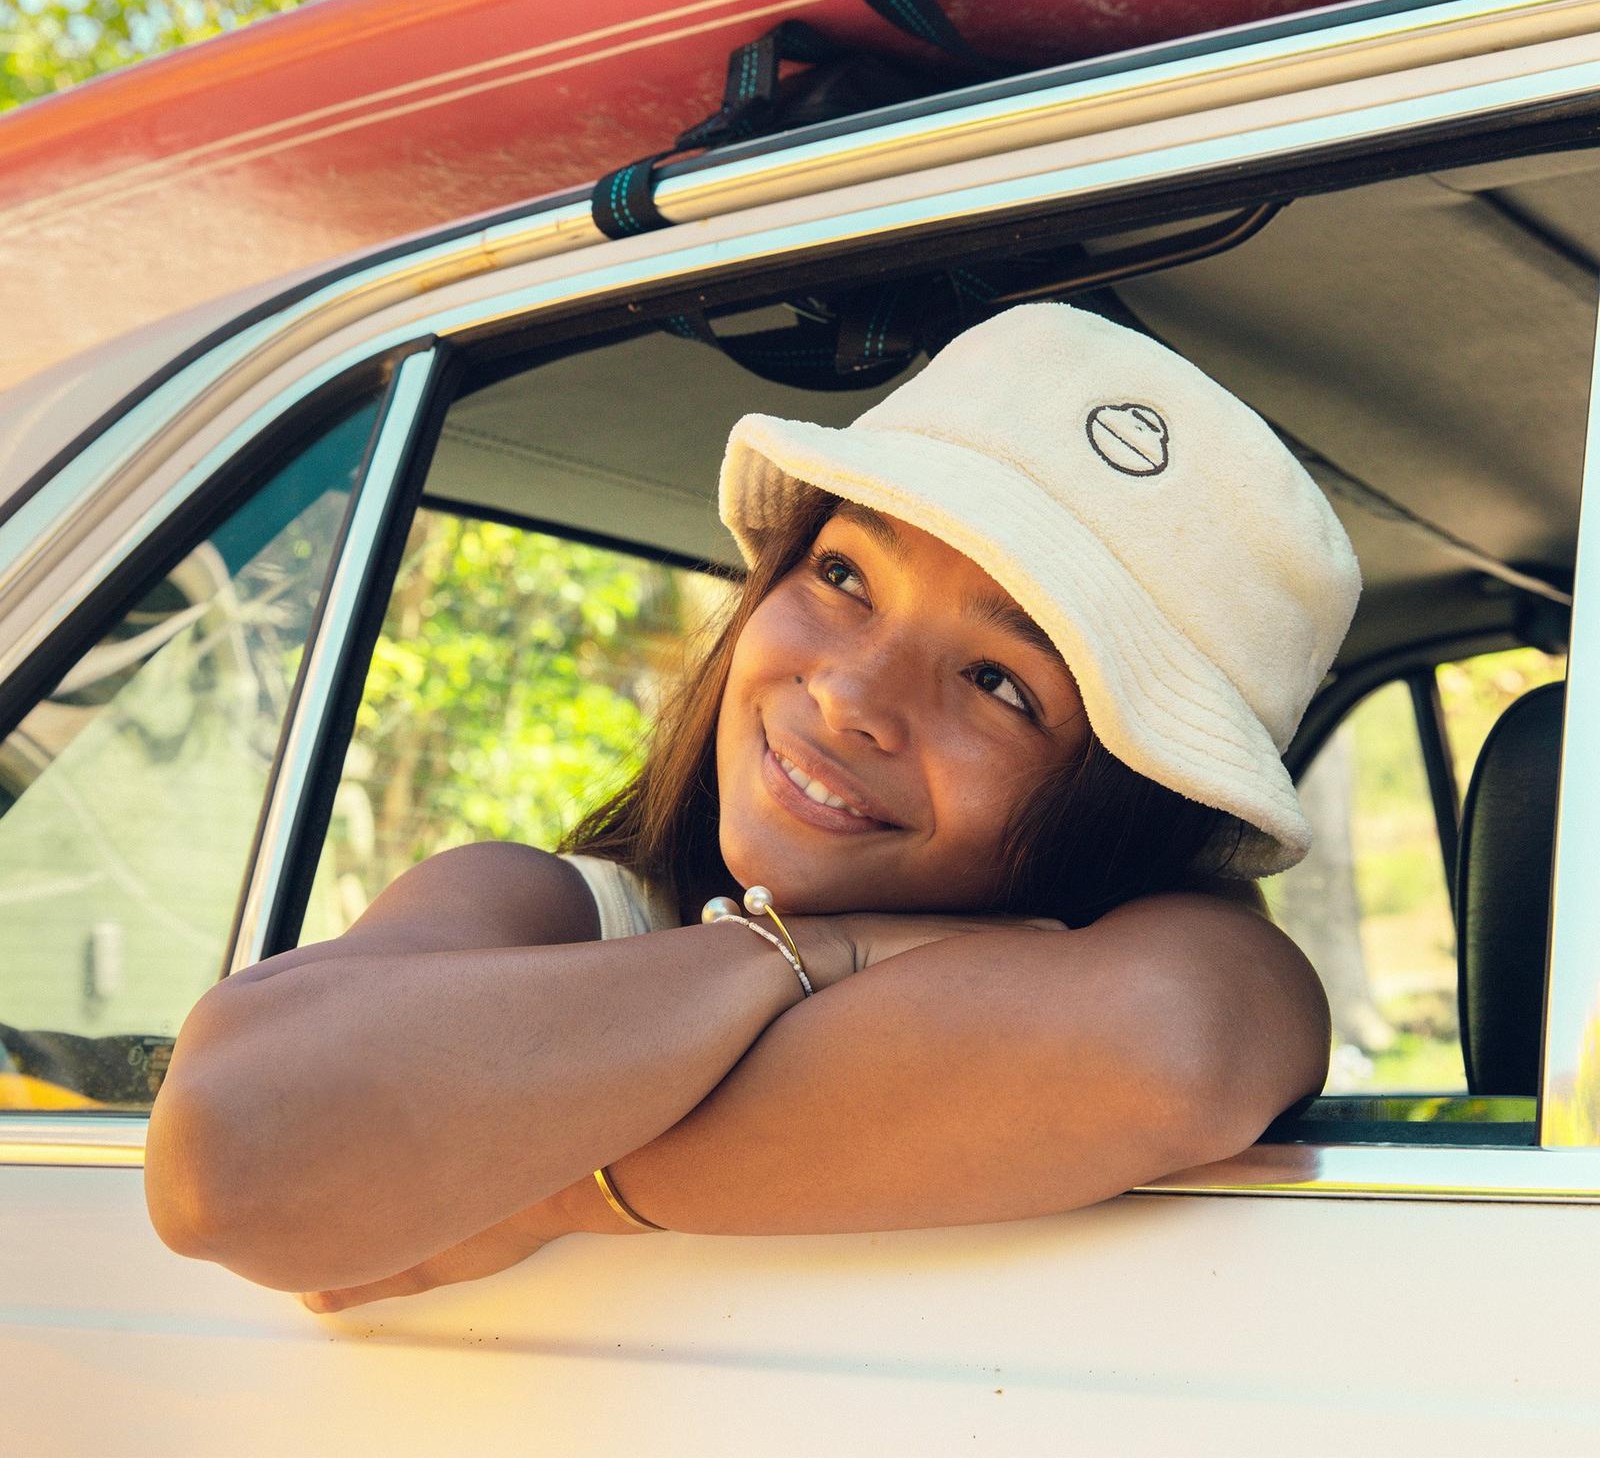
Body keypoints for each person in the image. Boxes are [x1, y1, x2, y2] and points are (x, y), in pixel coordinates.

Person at [145, 303, 1360, 1311]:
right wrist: (792, 954)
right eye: (843, 574)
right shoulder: (552, 909)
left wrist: (532, 1187)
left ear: (1128, 809)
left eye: (999, 684)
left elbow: (1165, 1048)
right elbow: (228, 1156)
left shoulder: (1170, 954)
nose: (849, 695)